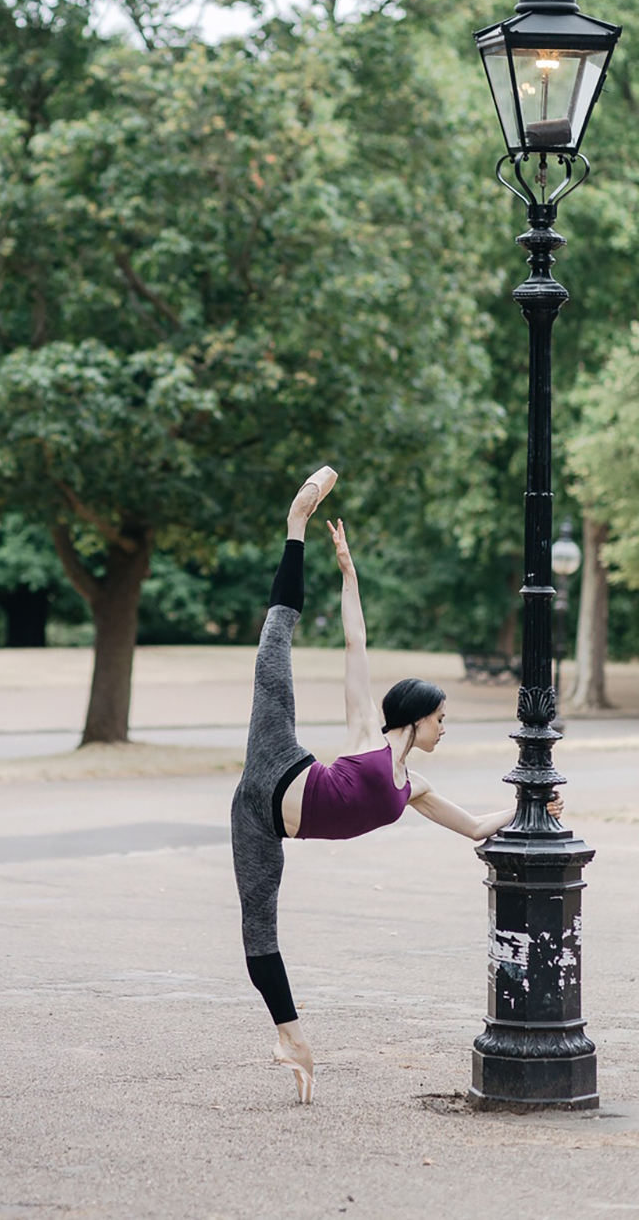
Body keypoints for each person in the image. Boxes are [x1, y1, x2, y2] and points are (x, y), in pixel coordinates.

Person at [230, 468, 563, 1105]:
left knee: (258, 932)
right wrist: (348, 574)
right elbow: (356, 643)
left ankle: (291, 1037)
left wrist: (534, 804)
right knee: (274, 650)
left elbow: (472, 827)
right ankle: (295, 524)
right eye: (442, 719)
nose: (446, 728)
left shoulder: (413, 788)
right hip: (274, 764)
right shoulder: (367, 738)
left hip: (260, 821)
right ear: (415, 717)